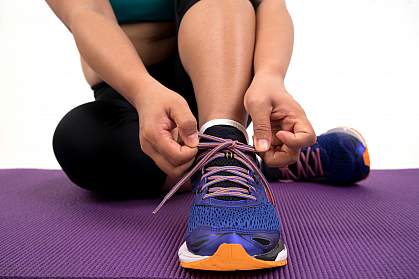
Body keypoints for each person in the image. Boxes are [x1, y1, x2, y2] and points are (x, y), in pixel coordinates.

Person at [47, 0, 370, 271]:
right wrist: (142, 90)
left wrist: (270, 75)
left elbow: (270, 4)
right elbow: (87, 12)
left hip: (218, 80)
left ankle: (226, 153)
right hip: (133, 92)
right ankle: (258, 160)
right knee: (79, 141)